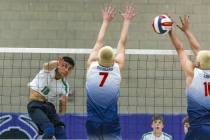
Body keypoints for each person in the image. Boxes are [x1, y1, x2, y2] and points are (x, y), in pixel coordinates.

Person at [85, 5, 136, 140]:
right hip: (110, 120)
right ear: (113, 59)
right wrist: (127, 21)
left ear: (98, 57)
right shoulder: (117, 68)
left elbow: (99, 42)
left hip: (93, 121)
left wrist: (106, 21)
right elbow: (122, 43)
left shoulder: (92, 65)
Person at [168, 15, 210, 140]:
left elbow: (180, 49)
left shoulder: (192, 73)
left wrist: (170, 31)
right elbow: (197, 49)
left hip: (197, 128)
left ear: (199, 63)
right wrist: (187, 31)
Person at [27, 56, 75, 139]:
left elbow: (62, 111)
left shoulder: (65, 86)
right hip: (35, 105)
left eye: (69, 68)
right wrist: (57, 63)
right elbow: (46, 65)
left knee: (61, 133)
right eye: (65, 66)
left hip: (50, 108)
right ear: (59, 64)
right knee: (49, 130)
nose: (67, 70)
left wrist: (63, 104)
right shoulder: (48, 71)